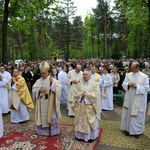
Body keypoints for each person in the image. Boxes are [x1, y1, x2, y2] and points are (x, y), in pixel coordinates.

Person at [121, 62, 149, 138]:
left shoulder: (144, 77)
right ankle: (128, 129)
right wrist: (128, 84)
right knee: (128, 113)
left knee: (137, 115)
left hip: (138, 101)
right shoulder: (128, 75)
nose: (131, 68)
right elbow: (123, 84)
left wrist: (137, 86)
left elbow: (146, 88)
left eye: (133, 67)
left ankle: (137, 131)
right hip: (129, 99)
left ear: (137, 68)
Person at [72, 68, 101, 142]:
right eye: (83, 74)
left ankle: (90, 137)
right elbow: (75, 93)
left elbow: (96, 95)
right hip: (80, 106)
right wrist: (81, 95)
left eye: (86, 74)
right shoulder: (79, 83)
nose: (84, 76)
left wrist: (87, 95)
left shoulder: (94, 84)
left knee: (89, 122)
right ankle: (79, 136)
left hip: (89, 107)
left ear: (90, 75)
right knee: (80, 121)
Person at [32, 67, 61, 136]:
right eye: (41, 73)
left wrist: (52, 84)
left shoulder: (53, 80)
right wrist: (39, 90)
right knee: (42, 116)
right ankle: (42, 131)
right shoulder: (38, 81)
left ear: (48, 73)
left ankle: (52, 131)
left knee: (50, 115)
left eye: (44, 73)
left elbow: (58, 88)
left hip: (50, 103)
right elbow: (33, 89)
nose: (42, 75)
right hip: (41, 102)